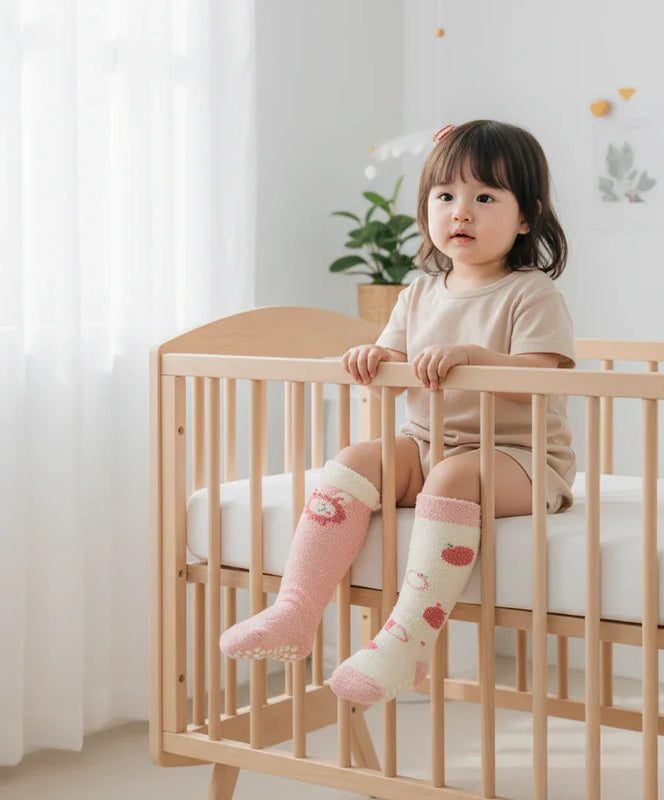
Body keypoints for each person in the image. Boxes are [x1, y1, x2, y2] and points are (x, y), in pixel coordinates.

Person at [220, 119, 576, 705]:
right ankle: (295, 610)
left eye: (485, 197)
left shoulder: (530, 293)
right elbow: (392, 354)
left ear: (527, 217)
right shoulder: (418, 292)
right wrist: (374, 355)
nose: (461, 212)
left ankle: (405, 643)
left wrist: (472, 356)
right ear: (427, 209)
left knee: (455, 475)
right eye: (445, 197)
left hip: (522, 457)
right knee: (359, 457)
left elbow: (538, 375)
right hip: (426, 440)